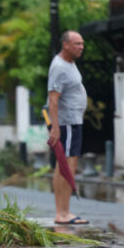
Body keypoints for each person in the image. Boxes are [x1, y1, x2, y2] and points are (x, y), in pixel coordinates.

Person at [47, 30, 88, 225]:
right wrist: (55, 128)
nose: (81, 47)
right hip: (67, 123)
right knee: (66, 165)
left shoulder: (70, 64)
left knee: (68, 164)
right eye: (77, 44)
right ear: (66, 45)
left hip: (73, 121)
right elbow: (53, 99)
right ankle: (61, 213)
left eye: (82, 44)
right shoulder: (59, 67)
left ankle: (65, 211)